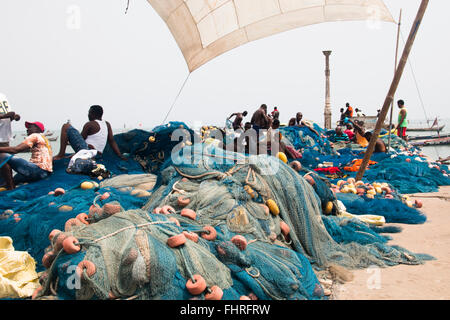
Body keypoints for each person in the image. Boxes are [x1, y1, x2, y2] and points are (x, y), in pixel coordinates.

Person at [53, 105, 126, 161]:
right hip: (98, 154)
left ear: (93, 114)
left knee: (66, 126)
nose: (88, 115)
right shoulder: (107, 124)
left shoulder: (90, 124)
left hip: (87, 152)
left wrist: (67, 139)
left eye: (89, 113)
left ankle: (61, 154)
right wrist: (120, 155)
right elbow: (112, 141)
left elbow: (80, 139)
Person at [0, 121, 52, 190]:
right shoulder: (44, 139)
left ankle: (10, 188)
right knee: (12, 180)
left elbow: (16, 149)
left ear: (37, 129)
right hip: (45, 173)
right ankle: (7, 185)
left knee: (2, 156)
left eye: (30, 127)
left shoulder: (35, 135)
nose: (27, 129)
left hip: (36, 171)